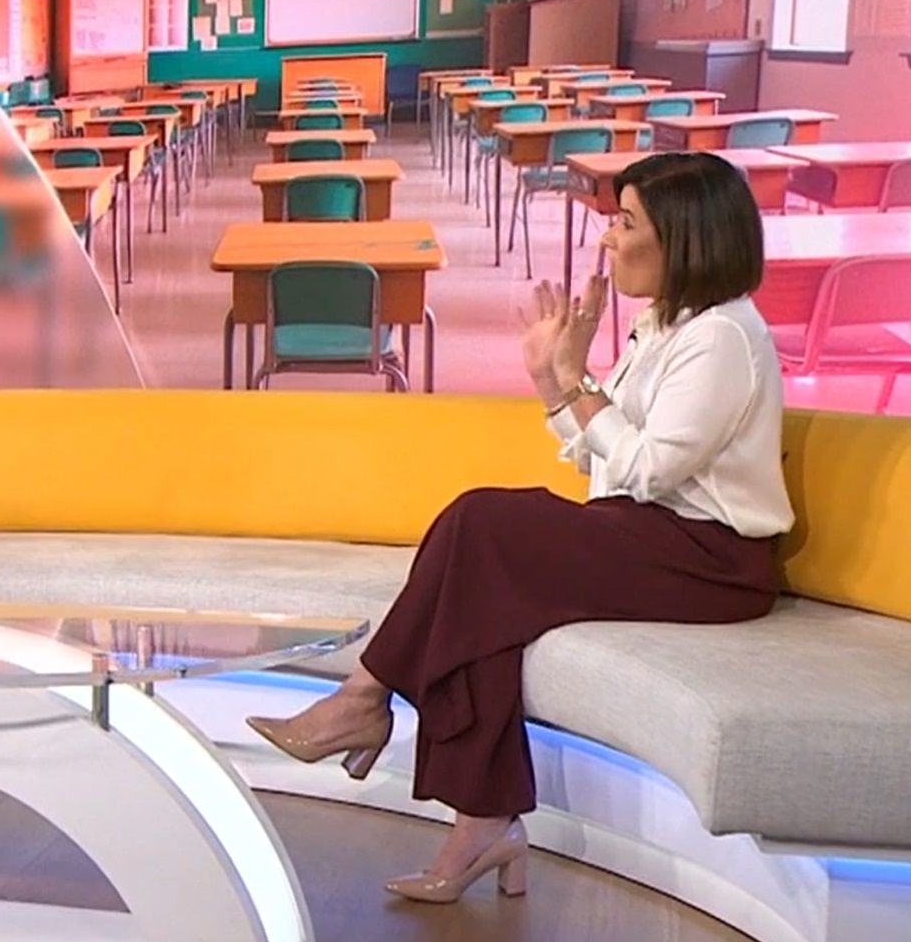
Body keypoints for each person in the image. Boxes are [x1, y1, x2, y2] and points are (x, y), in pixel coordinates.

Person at [247, 151, 791, 903]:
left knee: (482, 523)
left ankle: (365, 699)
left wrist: (574, 379)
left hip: (711, 561)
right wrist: (551, 379)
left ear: (684, 239)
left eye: (626, 223)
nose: (607, 238)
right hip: (650, 529)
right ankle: (481, 821)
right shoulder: (666, 325)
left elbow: (647, 468)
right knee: (485, 581)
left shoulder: (723, 337)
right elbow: (597, 458)